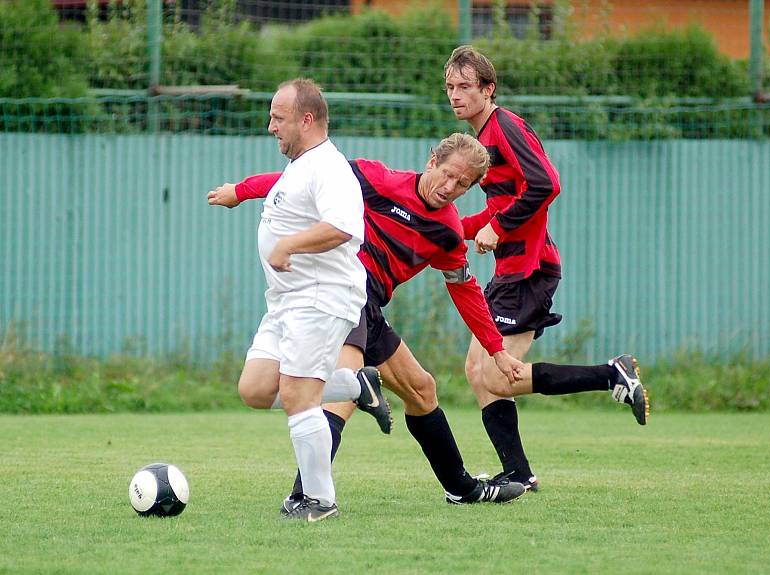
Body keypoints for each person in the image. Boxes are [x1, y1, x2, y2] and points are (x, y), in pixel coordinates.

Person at [209, 133, 530, 509]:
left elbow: (465, 290)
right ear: (431, 161)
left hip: (369, 307)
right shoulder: (379, 180)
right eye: (447, 174)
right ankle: (306, 496)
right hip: (340, 295)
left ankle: (461, 488)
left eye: (462, 184)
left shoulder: (447, 233)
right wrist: (242, 190)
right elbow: (297, 183)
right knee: (341, 395)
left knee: (421, 390)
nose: (449, 187)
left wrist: (496, 349)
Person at [443, 45, 650, 491]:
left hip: (530, 269)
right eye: (450, 87)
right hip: (512, 270)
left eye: (465, 87)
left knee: (497, 374)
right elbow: (503, 205)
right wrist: (450, 229)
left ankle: (610, 374)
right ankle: (519, 473)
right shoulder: (484, 140)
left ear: (488, 89)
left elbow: (546, 184)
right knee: (478, 372)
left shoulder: (506, 127)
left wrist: (497, 227)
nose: (455, 96)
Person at [226, 78, 390, 522]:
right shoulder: (299, 165)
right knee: (257, 389)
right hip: (284, 302)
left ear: (306, 119)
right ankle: (356, 385)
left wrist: (289, 245)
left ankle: (319, 500)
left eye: (278, 118)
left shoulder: (328, 167)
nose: (270, 127)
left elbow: (344, 226)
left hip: (320, 298)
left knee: (298, 394)